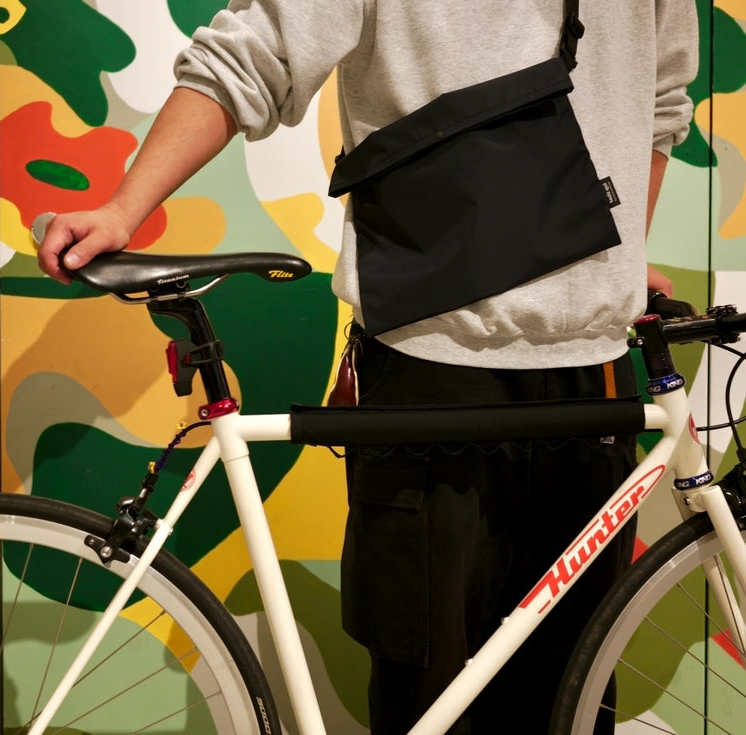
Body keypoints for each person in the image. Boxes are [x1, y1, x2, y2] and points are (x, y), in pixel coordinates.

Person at [38, 2, 699, 732]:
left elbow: (661, 99)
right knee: (426, 693)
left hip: (595, 370)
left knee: (573, 687)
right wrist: (125, 209)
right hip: (431, 364)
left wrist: (618, 253)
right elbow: (254, 52)